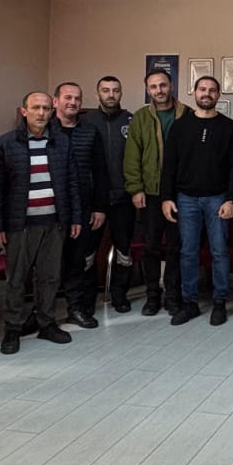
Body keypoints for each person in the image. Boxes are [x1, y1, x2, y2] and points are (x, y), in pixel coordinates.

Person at [0, 91, 84, 354]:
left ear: (52, 111)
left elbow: (72, 182)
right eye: (35, 108)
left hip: (54, 222)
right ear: (24, 111)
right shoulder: (5, 144)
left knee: (50, 277)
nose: (41, 113)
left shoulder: (62, 142)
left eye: (46, 108)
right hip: (20, 224)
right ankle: (13, 328)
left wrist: (75, 217)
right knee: (16, 279)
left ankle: (46, 323)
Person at [162, 76, 233, 326]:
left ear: (218, 95)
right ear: (194, 92)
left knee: (219, 252)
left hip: (217, 199)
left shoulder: (230, 127)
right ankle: (190, 303)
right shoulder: (180, 126)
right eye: (202, 89)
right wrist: (166, 197)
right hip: (185, 199)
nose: (207, 93)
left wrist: (231, 199)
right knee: (187, 252)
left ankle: (220, 302)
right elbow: (169, 165)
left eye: (212, 90)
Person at [124, 69, 187, 316]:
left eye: (163, 85)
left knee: (176, 246)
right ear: (147, 90)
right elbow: (132, 156)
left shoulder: (187, 115)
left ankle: (173, 295)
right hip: (150, 194)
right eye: (153, 86)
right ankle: (152, 296)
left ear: (171, 85)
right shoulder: (140, 117)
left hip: (181, 194)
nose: (159, 90)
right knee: (151, 246)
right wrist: (135, 188)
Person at [78, 76, 136, 317]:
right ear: (98, 94)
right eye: (106, 90)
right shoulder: (85, 122)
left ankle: (120, 295)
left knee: (124, 250)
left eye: (115, 90)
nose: (111, 94)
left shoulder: (131, 120)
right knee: (88, 252)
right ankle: (87, 298)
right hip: (94, 201)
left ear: (121, 93)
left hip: (125, 198)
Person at [52, 80, 107, 329]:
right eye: (67, 97)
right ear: (56, 101)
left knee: (78, 260)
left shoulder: (90, 131)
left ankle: (76, 308)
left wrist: (99, 207)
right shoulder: (44, 130)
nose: (73, 102)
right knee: (47, 263)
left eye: (77, 98)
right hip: (49, 207)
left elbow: (100, 171)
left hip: (82, 206)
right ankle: (42, 314)